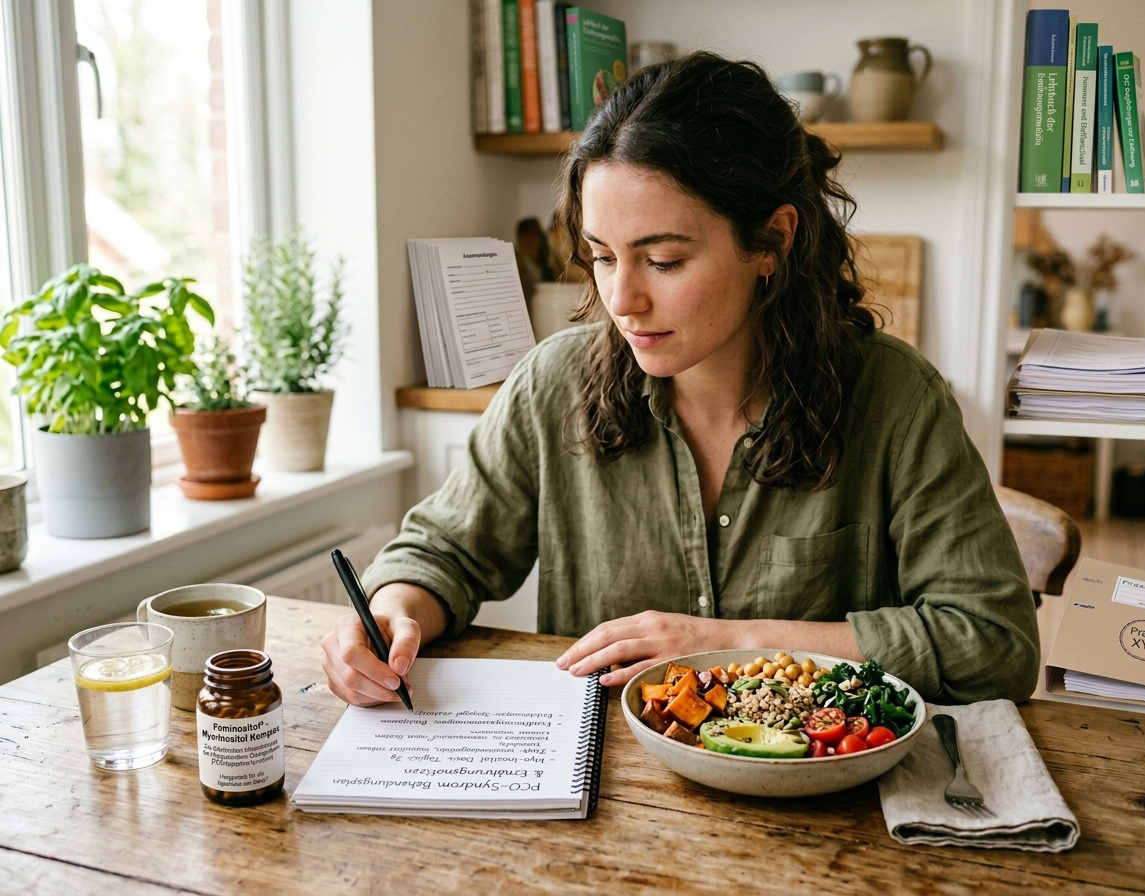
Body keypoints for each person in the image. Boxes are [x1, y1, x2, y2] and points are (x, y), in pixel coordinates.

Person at [322, 51, 1040, 708]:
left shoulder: (896, 398)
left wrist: (733, 645)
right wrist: (393, 612)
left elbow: (993, 642)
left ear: (773, 241)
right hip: (602, 801)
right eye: (602, 257)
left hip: (821, 806)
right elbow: (443, 552)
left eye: (662, 260)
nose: (622, 299)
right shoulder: (553, 383)